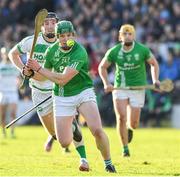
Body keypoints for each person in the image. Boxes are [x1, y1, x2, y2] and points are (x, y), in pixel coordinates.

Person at [27, 20, 116, 173]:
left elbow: (63, 79)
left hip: (83, 92)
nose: (65, 38)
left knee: (96, 130)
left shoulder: (79, 51)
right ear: (57, 36)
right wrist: (31, 74)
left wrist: (39, 68)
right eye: (61, 35)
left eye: (68, 35)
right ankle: (73, 125)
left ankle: (108, 163)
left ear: (73, 35)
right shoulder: (51, 51)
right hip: (62, 96)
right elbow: (44, 76)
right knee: (64, 142)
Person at [8, 13, 89, 171]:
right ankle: (60, 134)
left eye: (53, 22)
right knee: (56, 135)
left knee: (72, 127)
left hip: (57, 90)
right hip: (38, 93)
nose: (50, 25)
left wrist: (32, 73)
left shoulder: (64, 44)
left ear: (58, 25)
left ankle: (84, 160)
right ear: (41, 26)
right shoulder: (31, 41)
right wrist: (22, 70)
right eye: (46, 23)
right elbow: (13, 54)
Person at [98, 24, 160, 157]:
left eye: (130, 34)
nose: (127, 36)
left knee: (134, 123)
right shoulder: (114, 51)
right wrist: (106, 83)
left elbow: (154, 64)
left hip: (138, 88)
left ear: (134, 35)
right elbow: (102, 67)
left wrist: (155, 80)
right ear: (120, 37)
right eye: (124, 34)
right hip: (120, 87)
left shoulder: (142, 50)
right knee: (121, 117)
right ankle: (125, 148)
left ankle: (129, 128)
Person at [0, 47, 20, 138]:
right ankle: (3, 132)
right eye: (4, 53)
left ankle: (12, 132)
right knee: (3, 115)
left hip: (13, 92)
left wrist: (20, 86)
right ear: (2, 55)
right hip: (3, 93)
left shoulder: (14, 66)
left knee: (13, 114)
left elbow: (18, 79)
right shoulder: (1, 67)